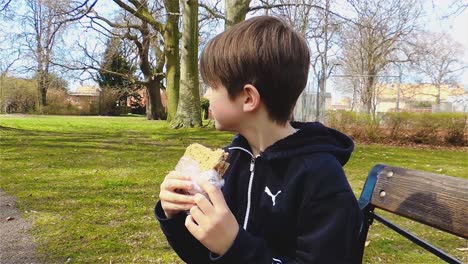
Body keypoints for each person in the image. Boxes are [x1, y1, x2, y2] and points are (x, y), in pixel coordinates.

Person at [155, 16, 363, 263]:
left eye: (212, 85)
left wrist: (234, 247)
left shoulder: (320, 177)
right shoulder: (231, 162)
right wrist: (175, 215)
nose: (206, 94)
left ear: (248, 98)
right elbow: (202, 256)